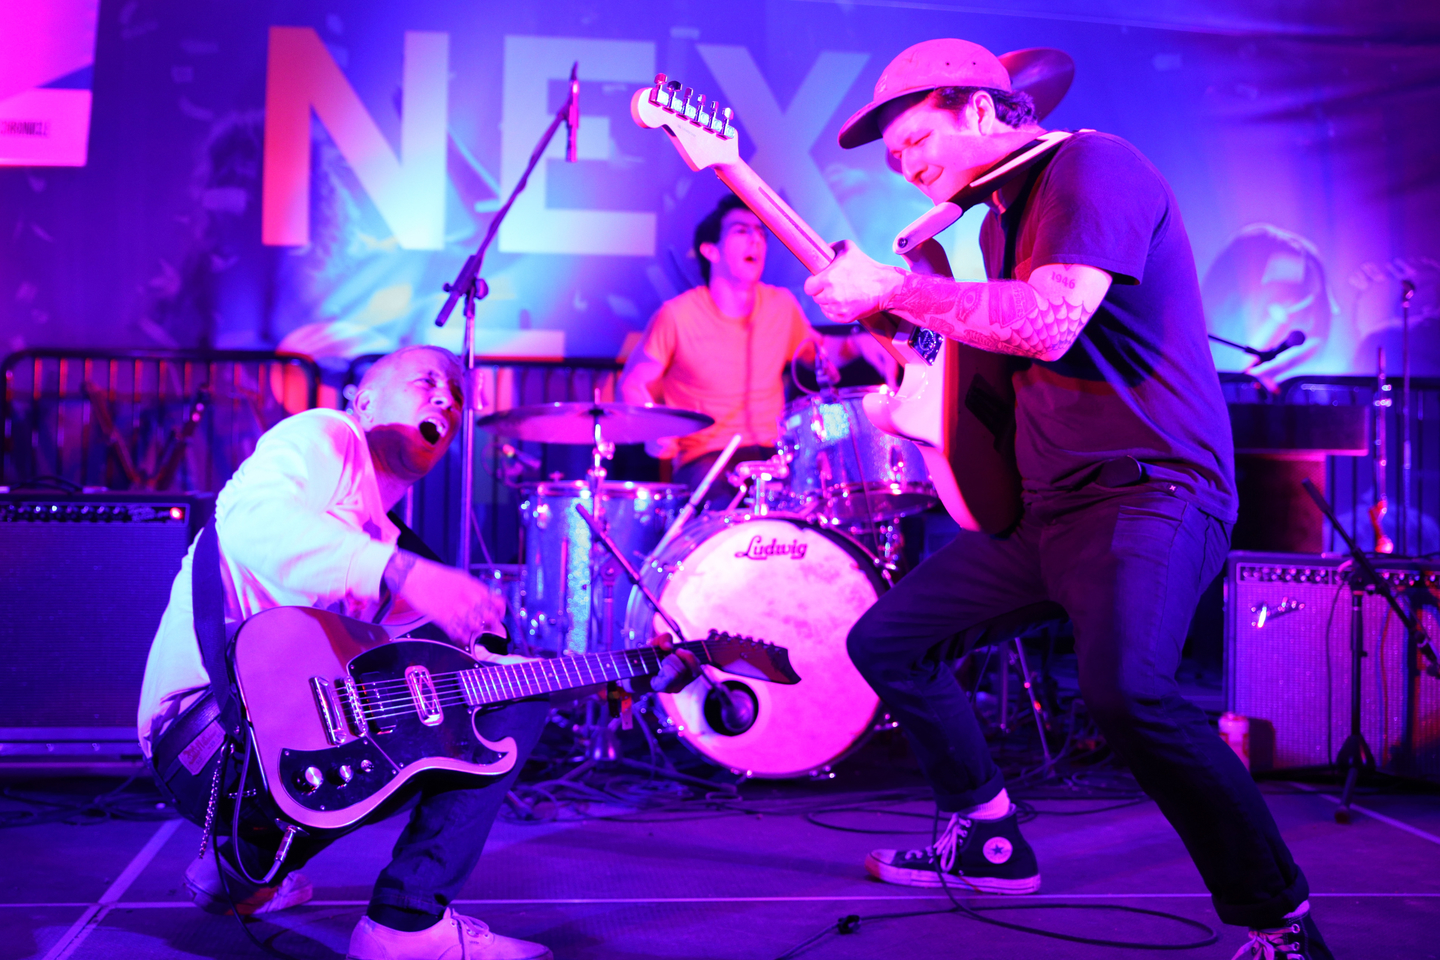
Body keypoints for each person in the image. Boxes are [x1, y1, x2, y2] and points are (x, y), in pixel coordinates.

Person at [802, 39, 1331, 960]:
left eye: (915, 139)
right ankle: (988, 837)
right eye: (893, 159)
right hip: (1049, 511)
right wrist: (916, 383)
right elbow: (1006, 373)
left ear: (976, 109)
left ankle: (1277, 921)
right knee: (889, 642)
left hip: (1150, 492)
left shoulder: (1094, 165)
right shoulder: (1000, 223)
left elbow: (1049, 324)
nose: (905, 166)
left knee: (1128, 693)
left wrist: (893, 288)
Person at [138, 345, 697, 960]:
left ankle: (240, 870)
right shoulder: (325, 436)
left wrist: (601, 676)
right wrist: (403, 573)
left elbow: (484, 677)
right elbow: (247, 520)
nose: (446, 401)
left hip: (254, 771)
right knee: (480, 718)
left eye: (456, 397)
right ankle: (404, 925)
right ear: (364, 399)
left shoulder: (390, 542)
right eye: (428, 382)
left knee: (451, 702)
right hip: (206, 741)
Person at [620, 193, 836, 507]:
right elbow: (633, 383)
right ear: (711, 251)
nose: (756, 240)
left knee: (821, 501)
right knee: (728, 510)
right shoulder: (677, 315)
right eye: (741, 231)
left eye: (761, 233)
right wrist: (655, 430)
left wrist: (869, 344)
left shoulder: (781, 306)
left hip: (774, 455)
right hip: (708, 460)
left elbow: (822, 354)